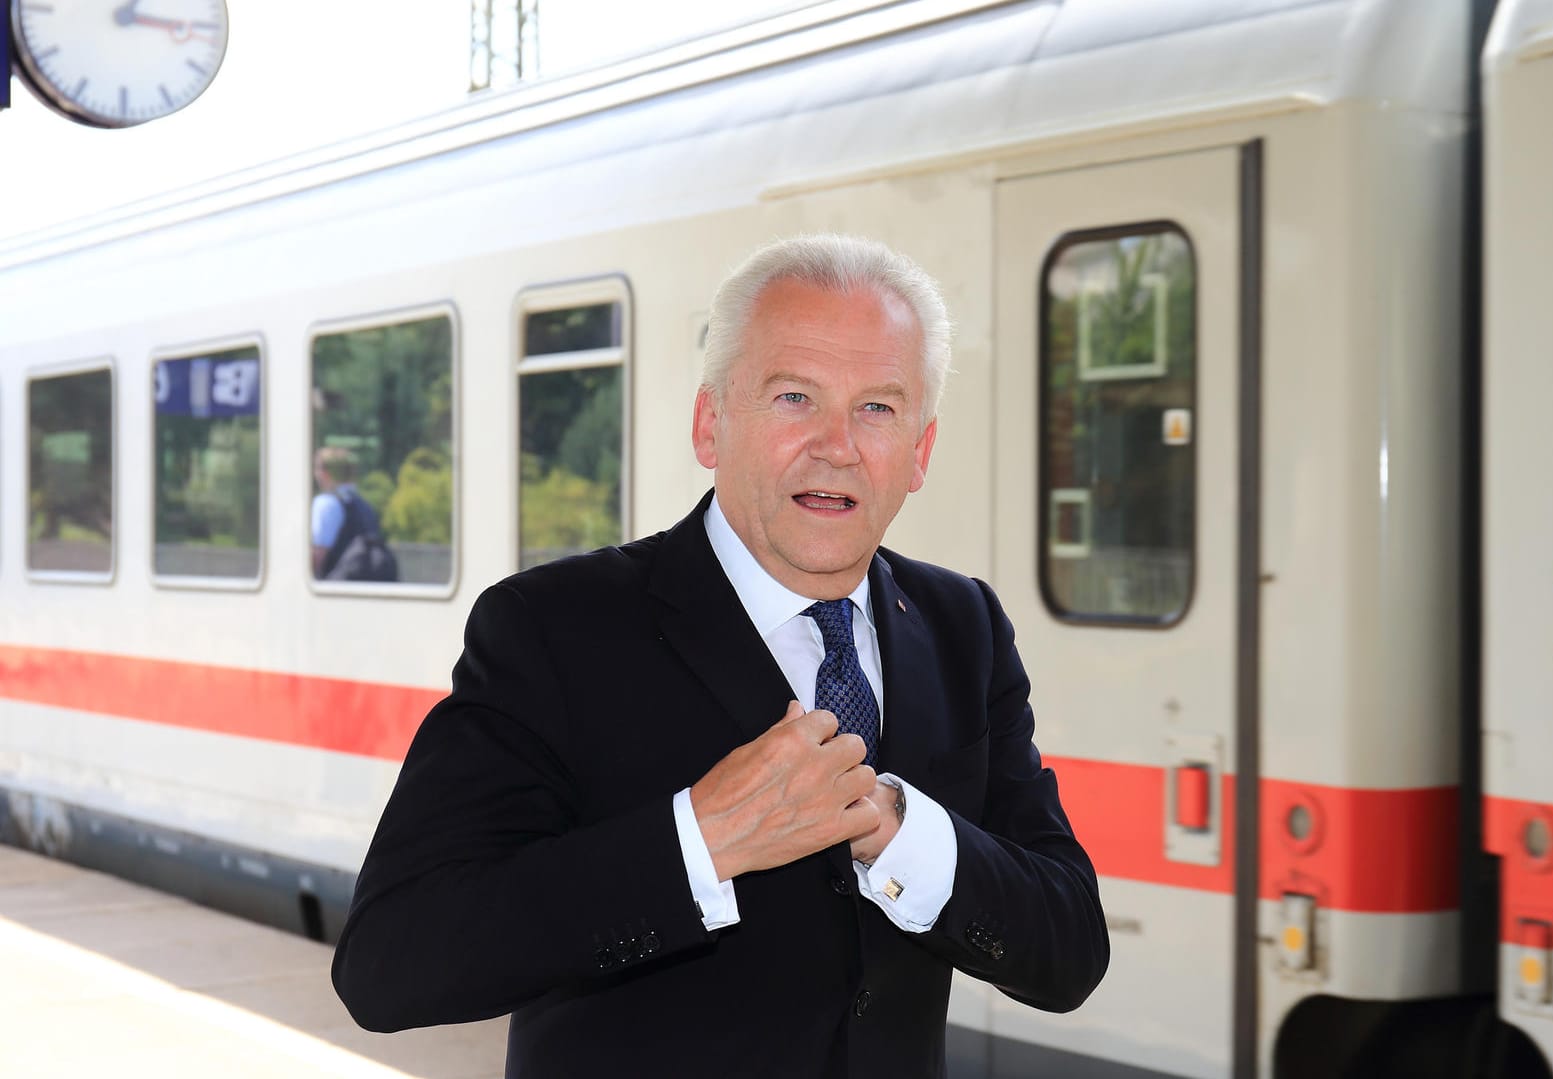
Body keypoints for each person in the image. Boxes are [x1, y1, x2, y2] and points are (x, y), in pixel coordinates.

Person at [331, 235, 1109, 1077]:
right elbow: (388, 962)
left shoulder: (965, 625)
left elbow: (1068, 950)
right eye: (794, 397)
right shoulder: (550, 628)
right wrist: (696, 842)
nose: (838, 445)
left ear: (919, 453)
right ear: (712, 423)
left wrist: (896, 827)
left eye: (878, 408)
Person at [312, 446, 398, 581]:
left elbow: (317, 556)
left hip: (335, 593)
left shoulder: (325, 504)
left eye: (317, 468)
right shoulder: (364, 506)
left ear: (325, 473)